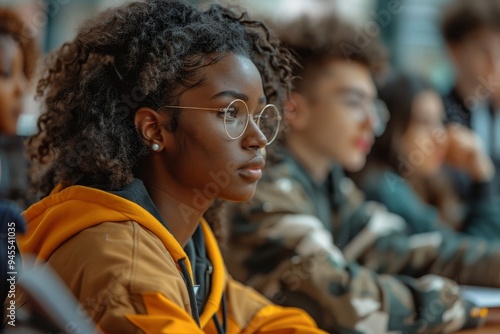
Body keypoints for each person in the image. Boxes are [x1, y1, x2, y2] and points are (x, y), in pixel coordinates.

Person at [13, 1, 324, 333]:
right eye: (230, 113)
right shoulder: (123, 260)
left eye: (259, 114)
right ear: (154, 129)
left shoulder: (189, 247)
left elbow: (262, 321)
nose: (258, 137)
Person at [224, 14, 495, 334]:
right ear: (294, 109)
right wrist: (461, 306)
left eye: (373, 105)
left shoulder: (330, 183)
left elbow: (412, 250)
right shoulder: (263, 185)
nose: (372, 123)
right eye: (354, 102)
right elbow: (343, 301)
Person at [355, 72, 500, 240]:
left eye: (440, 121)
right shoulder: (385, 186)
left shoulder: (430, 183)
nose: (440, 136)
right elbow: (467, 255)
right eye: (424, 122)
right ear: (393, 130)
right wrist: (483, 176)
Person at [441, 0, 500, 198]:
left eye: (499, 52)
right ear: (454, 51)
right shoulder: (440, 115)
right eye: (484, 50)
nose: (494, 64)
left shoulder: (492, 110)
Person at [0, 8, 38, 209]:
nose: (22, 87)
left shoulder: (28, 163)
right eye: (6, 74)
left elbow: (13, 235)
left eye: (23, 72)